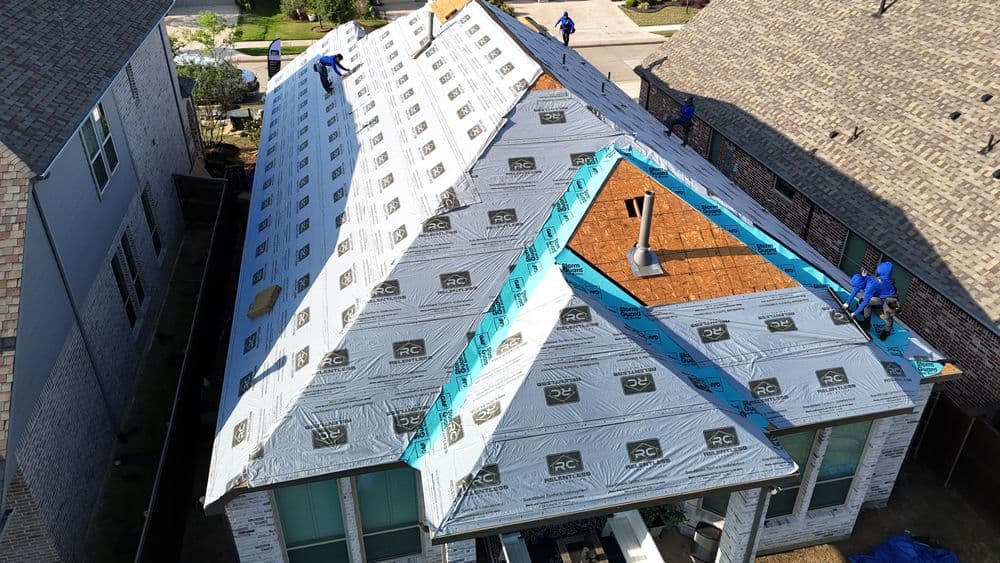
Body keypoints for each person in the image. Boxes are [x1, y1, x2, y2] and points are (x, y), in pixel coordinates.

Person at [849, 262, 900, 341]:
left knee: (887, 317)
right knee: (865, 301)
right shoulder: (880, 278)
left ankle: (886, 332)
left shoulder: (890, 283)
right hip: (880, 300)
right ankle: (866, 323)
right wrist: (864, 277)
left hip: (888, 302)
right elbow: (872, 282)